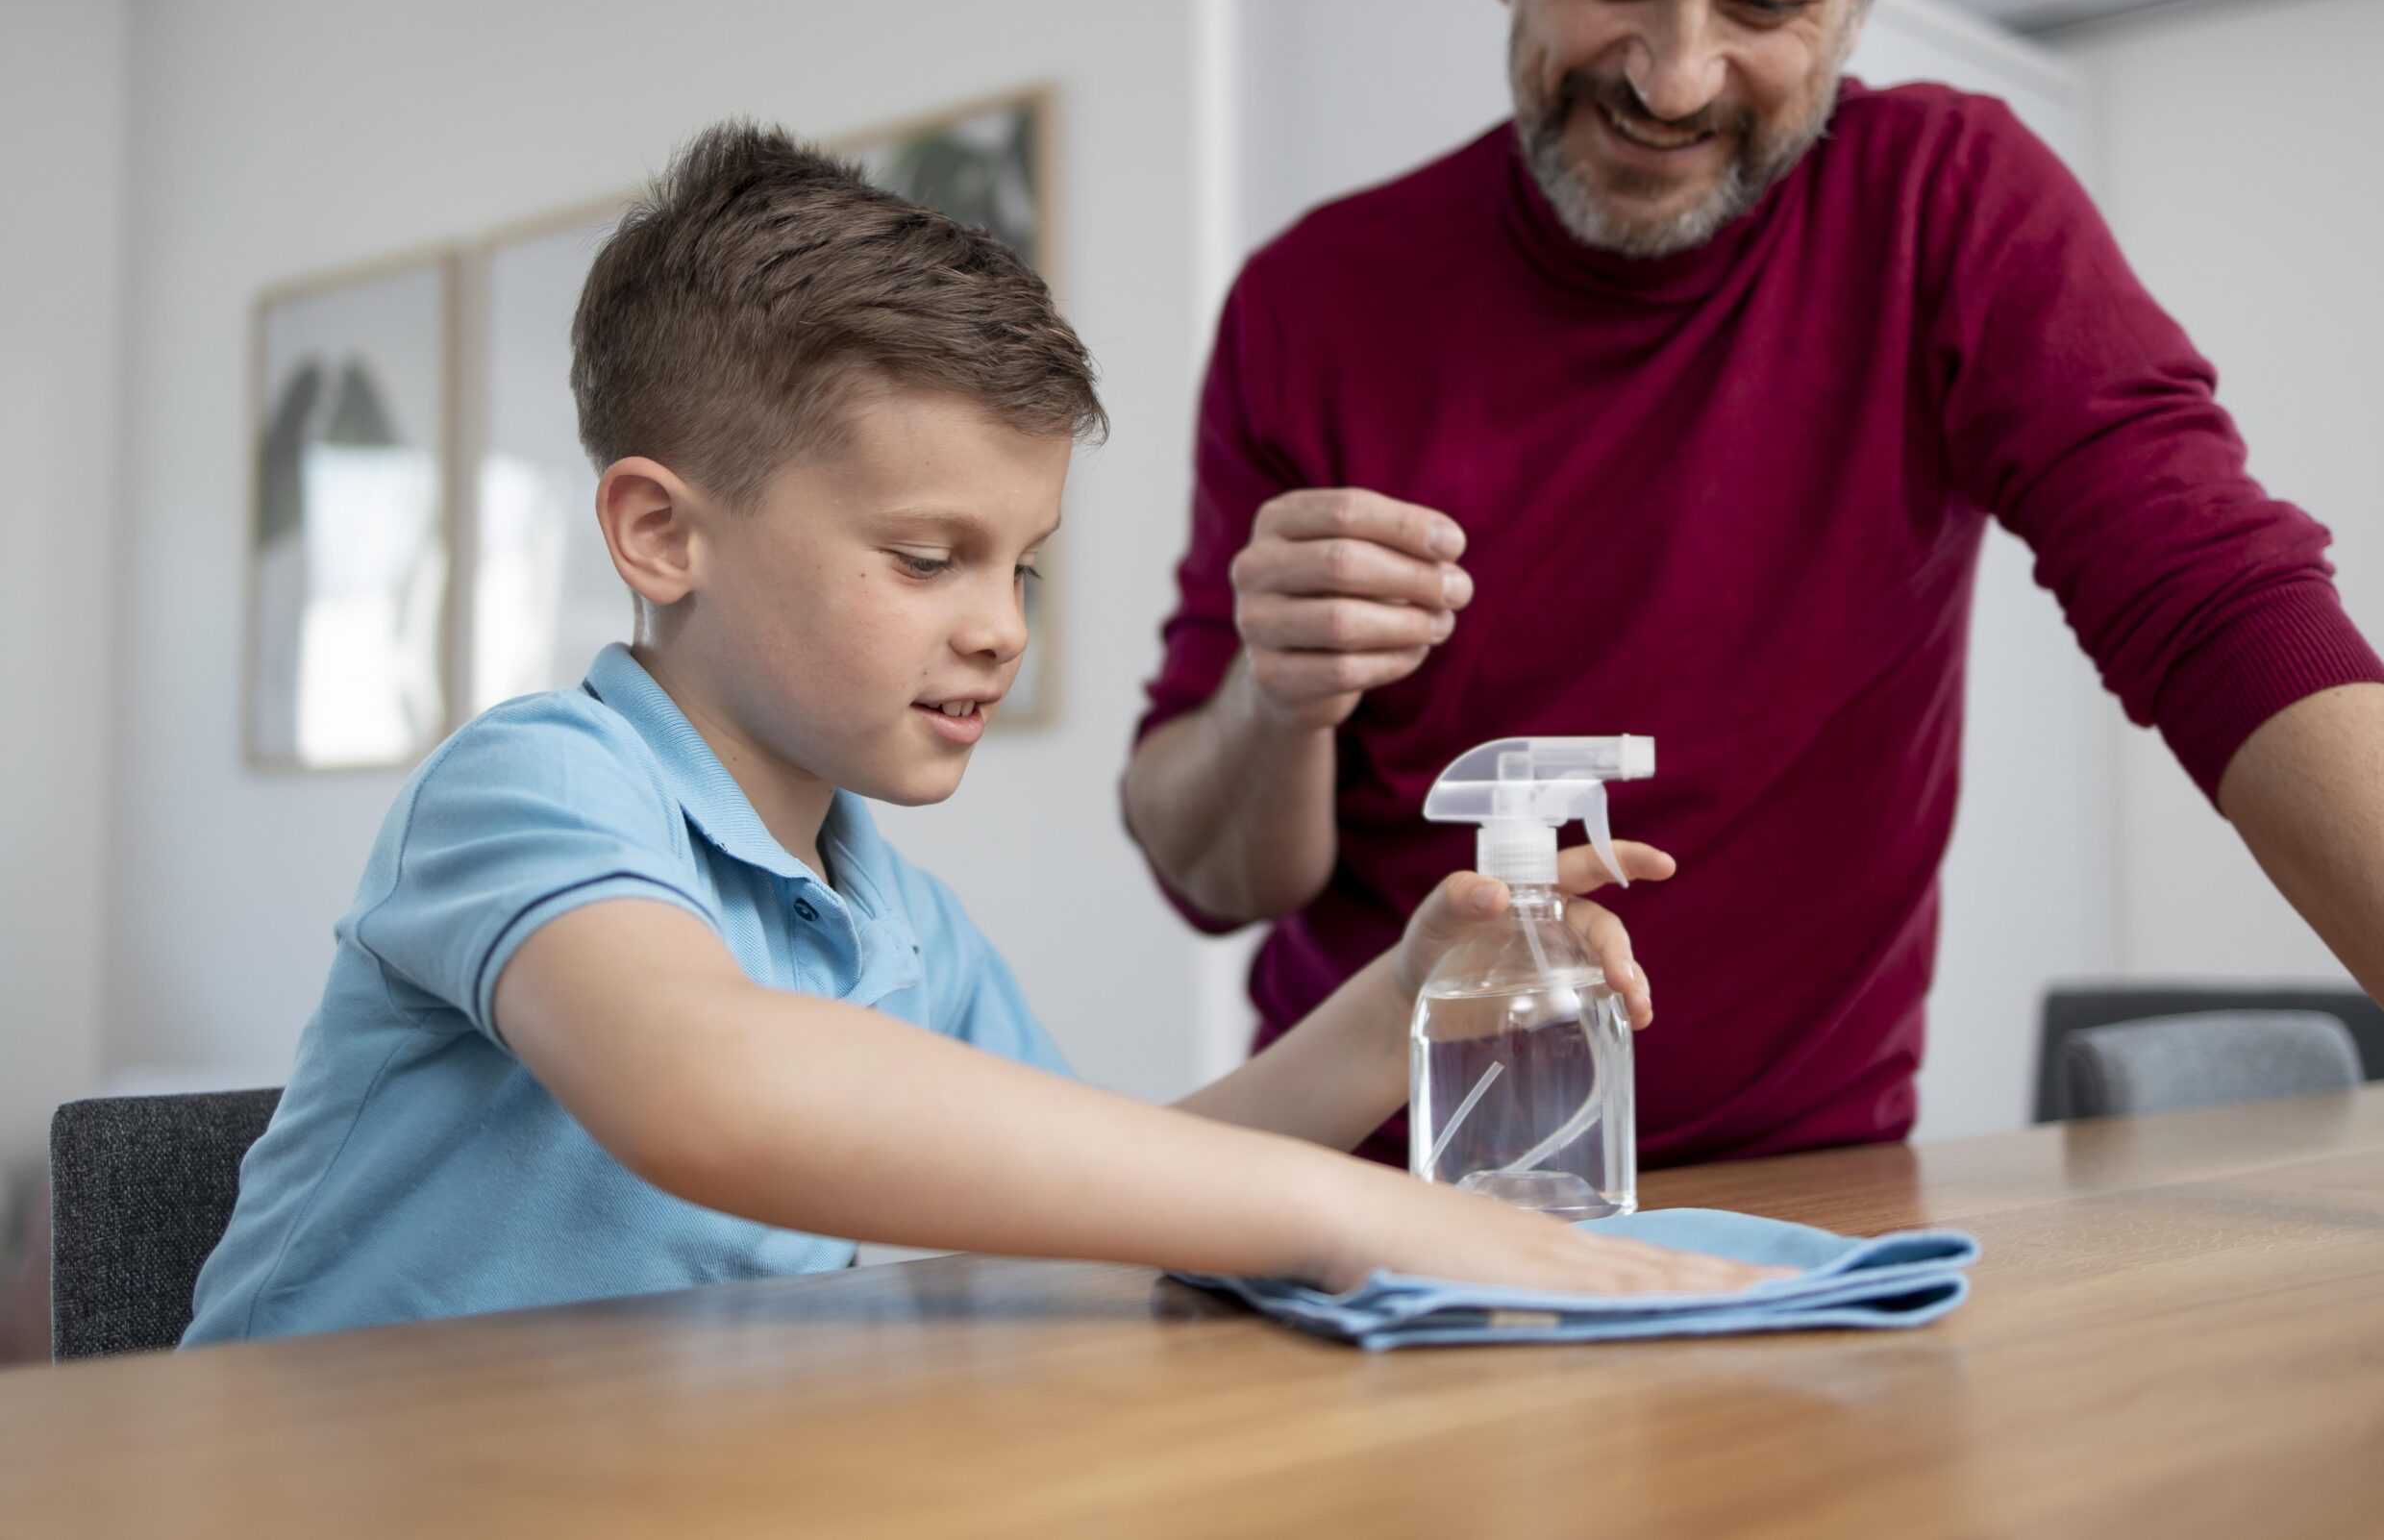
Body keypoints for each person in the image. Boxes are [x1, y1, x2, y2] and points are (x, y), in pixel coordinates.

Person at [185, 124, 1773, 1345]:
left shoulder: (893, 920)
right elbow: (706, 1086)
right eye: (926, 558)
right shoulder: (531, 788)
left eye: (1022, 564)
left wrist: (1399, 1004)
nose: (1003, 624)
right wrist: (1343, 1214)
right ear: (664, 534)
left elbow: (1101, 1189)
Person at [1125, 0, 2384, 1167]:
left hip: (1813, 1207)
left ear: (1857, 0)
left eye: (1765, 4)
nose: (1674, 76)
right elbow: (1217, 876)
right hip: (1360, 1197)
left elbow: (2216, 606)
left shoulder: (1946, 207)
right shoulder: (1316, 301)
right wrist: (1278, 701)